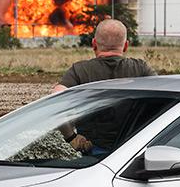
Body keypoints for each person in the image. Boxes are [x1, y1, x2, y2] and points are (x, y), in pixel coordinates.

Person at [53, 18, 156, 152]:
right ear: (126, 45)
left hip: (92, 152)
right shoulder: (141, 69)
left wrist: (71, 137)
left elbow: (56, 97)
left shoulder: (80, 70)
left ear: (94, 44)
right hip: (132, 150)